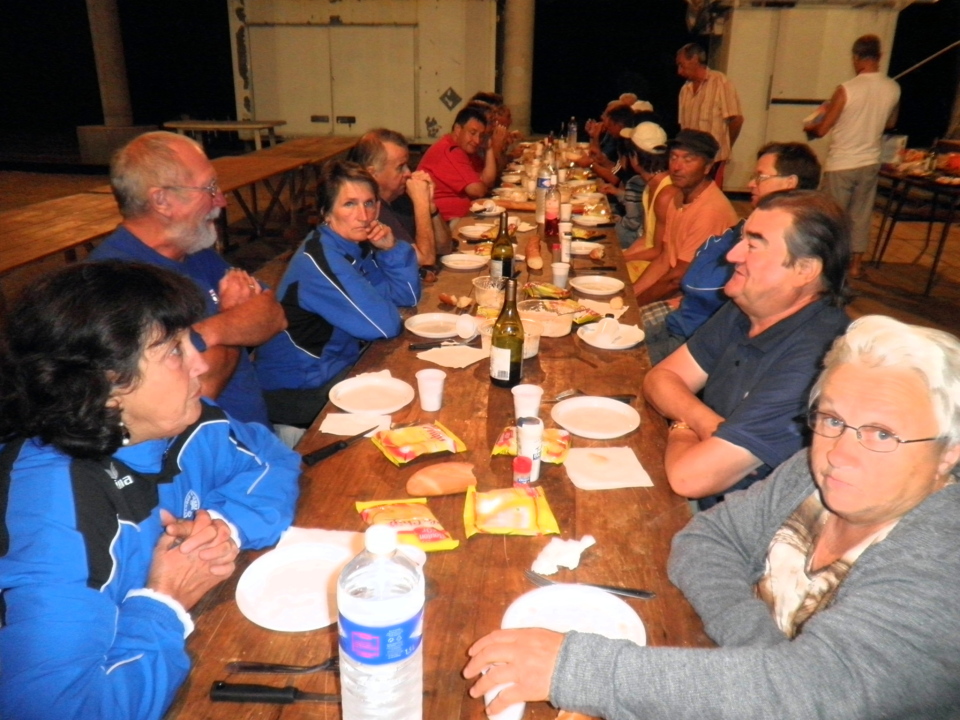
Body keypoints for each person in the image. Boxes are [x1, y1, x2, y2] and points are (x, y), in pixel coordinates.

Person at [464, 314, 960, 719]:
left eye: (881, 434)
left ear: (948, 454)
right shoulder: (811, 474)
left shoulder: (941, 559)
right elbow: (706, 540)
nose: (839, 455)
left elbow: (818, 694)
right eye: (831, 419)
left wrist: (574, 669)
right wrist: (766, 658)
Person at [0, 261, 300, 720]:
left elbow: (273, 459)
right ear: (108, 385)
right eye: (175, 350)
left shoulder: (180, 420)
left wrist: (222, 526)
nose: (200, 362)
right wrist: (164, 601)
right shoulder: (52, 511)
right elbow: (59, 709)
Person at [644, 190, 850, 509]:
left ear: (805, 270)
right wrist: (704, 425)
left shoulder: (819, 359)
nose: (732, 255)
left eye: (752, 245)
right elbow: (660, 378)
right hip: (701, 483)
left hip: (738, 529)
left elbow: (690, 478)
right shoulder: (750, 305)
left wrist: (680, 422)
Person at [89, 131, 286, 429]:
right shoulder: (112, 284)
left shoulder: (193, 250)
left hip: (253, 444)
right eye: (209, 188)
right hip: (205, 466)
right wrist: (234, 320)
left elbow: (272, 315)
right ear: (162, 200)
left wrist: (204, 335)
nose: (222, 200)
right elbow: (193, 397)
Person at [254, 160, 421, 428]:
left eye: (369, 203)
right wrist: (384, 305)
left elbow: (408, 296)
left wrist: (391, 250)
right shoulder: (320, 261)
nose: (364, 216)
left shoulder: (356, 246)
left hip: (339, 366)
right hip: (298, 390)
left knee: (410, 380)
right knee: (404, 406)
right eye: (350, 204)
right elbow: (385, 325)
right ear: (326, 213)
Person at [641, 142, 822, 364]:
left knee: (620, 357)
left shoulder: (790, 243)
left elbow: (695, 281)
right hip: (684, 316)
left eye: (761, 177)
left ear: (790, 183)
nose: (750, 183)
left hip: (700, 336)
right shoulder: (746, 225)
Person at [804, 35, 900, 279]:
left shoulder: (846, 89)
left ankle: (829, 265)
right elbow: (891, 122)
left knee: (833, 214)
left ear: (856, 57)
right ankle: (855, 266)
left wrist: (810, 127)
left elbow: (823, 128)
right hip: (870, 160)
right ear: (879, 56)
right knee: (861, 215)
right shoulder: (893, 87)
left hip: (842, 162)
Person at [631, 129, 738, 303]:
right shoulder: (678, 197)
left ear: (708, 167)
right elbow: (665, 258)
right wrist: (632, 295)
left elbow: (676, 279)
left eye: (688, 159)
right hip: (674, 290)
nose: (677, 167)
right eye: (673, 157)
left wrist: (633, 306)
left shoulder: (709, 210)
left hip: (694, 302)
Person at [347, 128, 453, 268]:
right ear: (372, 173)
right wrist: (421, 203)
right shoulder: (370, 210)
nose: (408, 173)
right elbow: (425, 261)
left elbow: (445, 248)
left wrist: (430, 207)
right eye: (400, 167)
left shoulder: (401, 195)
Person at [418, 105, 507, 222]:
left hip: (464, 215)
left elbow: (488, 181)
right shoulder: (450, 150)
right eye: (472, 133)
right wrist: (482, 184)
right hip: (445, 222)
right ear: (458, 129)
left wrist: (489, 148)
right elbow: (477, 190)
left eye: (480, 135)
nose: (477, 140)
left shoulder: (465, 150)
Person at [677, 43, 743, 189]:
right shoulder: (685, 90)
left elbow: (736, 119)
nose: (679, 71)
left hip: (713, 158)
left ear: (694, 59)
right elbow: (683, 127)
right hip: (691, 158)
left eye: (681, 65)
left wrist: (725, 145)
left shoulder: (720, 82)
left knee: (710, 197)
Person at [616, 122, 681, 260]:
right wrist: (621, 257)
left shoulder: (667, 192)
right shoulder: (649, 187)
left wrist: (621, 260)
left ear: (634, 157)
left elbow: (659, 252)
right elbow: (646, 239)